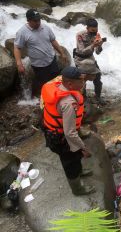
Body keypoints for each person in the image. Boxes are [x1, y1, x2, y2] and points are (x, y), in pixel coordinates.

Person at [41, 66, 95, 196]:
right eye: (80, 81)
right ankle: (77, 189)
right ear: (70, 84)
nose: (83, 83)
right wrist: (83, 148)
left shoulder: (59, 85)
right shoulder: (68, 104)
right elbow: (69, 133)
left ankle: (80, 171)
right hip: (60, 139)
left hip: (51, 131)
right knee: (70, 163)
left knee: (75, 158)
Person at [14, 9, 67, 95]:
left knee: (56, 80)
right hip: (39, 65)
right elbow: (17, 47)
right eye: (35, 21)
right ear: (28, 20)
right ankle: (44, 99)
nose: (38, 22)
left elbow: (53, 41)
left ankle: (57, 96)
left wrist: (62, 53)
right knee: (44, 84)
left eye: (39, 20)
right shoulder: (22, 32)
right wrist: (19, 63)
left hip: (51, 60)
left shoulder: (45, 27)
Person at [74, 18, 106, 105]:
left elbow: (98, 53)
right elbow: (81, 51)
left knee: (98, 77)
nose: (94, 33)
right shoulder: (80, 35)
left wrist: (99, 45)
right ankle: (83, 97)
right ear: (87, 28)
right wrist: (92, 45)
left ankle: (98, 96)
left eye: (95, 31)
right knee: (82, 78)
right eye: (92, 31)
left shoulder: (97, 35)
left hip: (90, 57)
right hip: (80, 58)